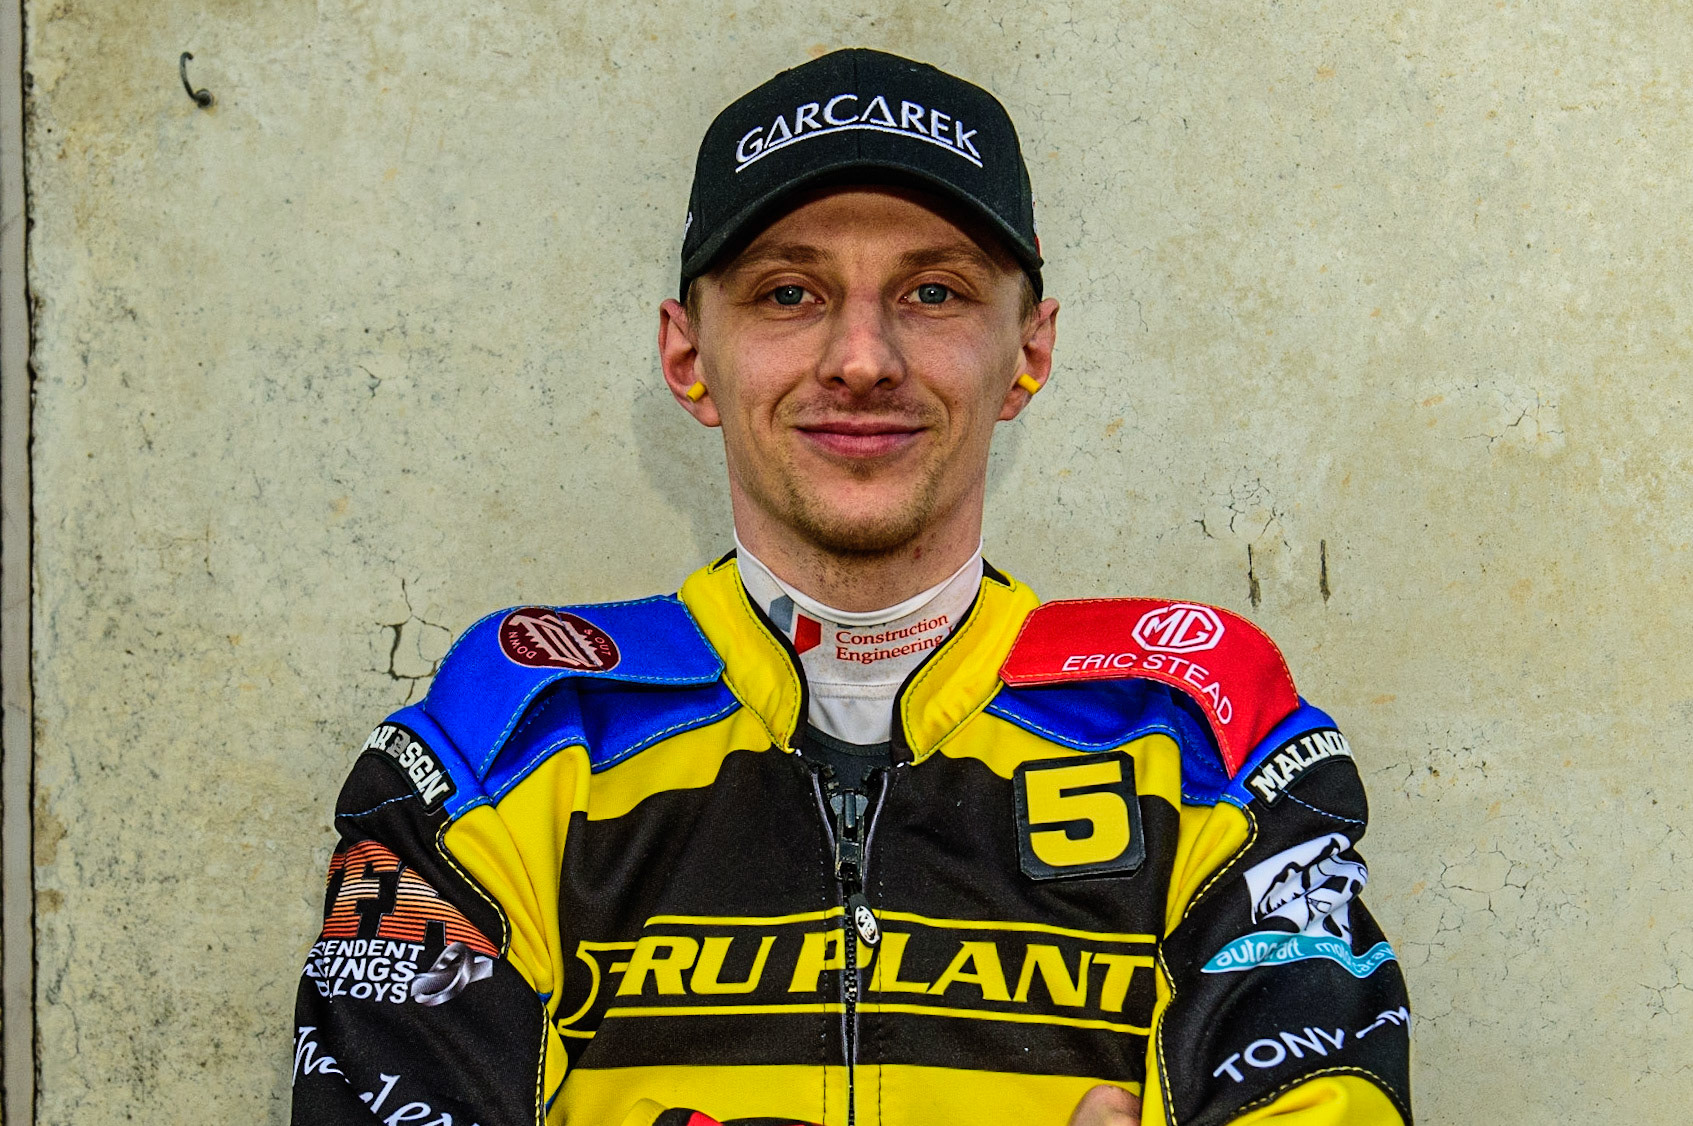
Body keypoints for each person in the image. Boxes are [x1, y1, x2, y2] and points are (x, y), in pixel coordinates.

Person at [291, 49, 1412, 1126]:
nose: (862, 357)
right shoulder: (517, 732)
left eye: (933, 290)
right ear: (689, 356)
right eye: (788, 291)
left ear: (1030, 347)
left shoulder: (1199, 724)